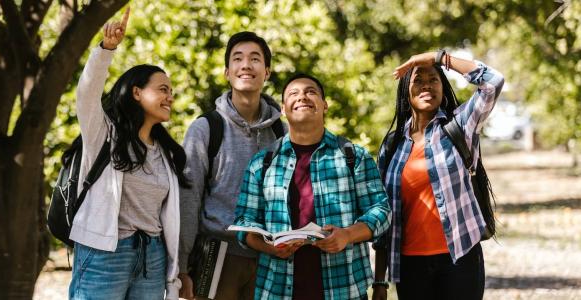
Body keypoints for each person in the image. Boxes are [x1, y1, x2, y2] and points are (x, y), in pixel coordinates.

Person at [233, 74, 392, 300]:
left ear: (324, 105)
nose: (302, 97)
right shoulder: (262, 163)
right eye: (293, 94)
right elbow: (244, 222)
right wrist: (270, 247)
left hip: (344, 289)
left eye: (311, 92)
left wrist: (347, 235)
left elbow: (382, 211)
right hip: (276, 290)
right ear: (283, 109)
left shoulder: (353, 157)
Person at [68, 8, 189, 300]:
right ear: (136, 93)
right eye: (162, 89)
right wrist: (106, 50)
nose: (169, 97)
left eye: (171, 91)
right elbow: (86, 95)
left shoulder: (167, 153)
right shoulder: (105, 135)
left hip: (152, 257)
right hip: (105, 254)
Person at [372, 50, 504, 300]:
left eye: (433, 79)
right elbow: (383, 217)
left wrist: (440, 57)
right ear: (405, 91)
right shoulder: (392, 146)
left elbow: (493, 82)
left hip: (460, 257)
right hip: (410, 265)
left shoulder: (460, 126)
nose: (426, 86)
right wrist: (380, 280)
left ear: (442, 87)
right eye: (418, 80)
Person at [178, 32, 285, 300]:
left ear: (267, 72)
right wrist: (180, 266)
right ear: (227, 72)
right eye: (238, 59)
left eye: (255, 59)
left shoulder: (281, 132)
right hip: (217, 256)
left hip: (268, 259)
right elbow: (188, 200)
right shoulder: (205, 129)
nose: (246, 65)